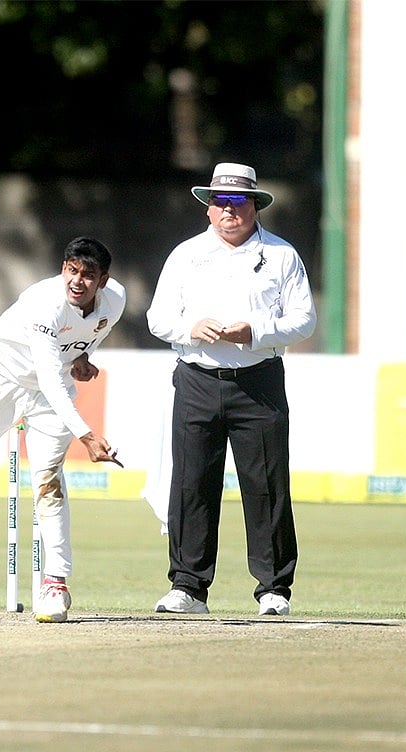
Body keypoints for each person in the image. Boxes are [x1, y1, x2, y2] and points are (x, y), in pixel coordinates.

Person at [146, 162, 316, 617]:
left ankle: (274, 589)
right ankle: (188, 587)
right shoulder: (185, 255)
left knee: (266, 486)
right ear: (207, 209)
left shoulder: (281, 255)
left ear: (255, 207)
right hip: (197, 379)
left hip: (258, 381)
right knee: (191, 484)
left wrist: (255, 331)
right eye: (220, 202)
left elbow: (304, 319)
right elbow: (157, 318)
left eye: (238, 202)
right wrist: (190, 327)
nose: (228, 210)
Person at [0, 236, 125, 623]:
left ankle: (55, 584)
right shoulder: (45, 302)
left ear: (103, 281)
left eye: (88, 276)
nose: (77, 281)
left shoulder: (116, 300)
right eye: (71, 271)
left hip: (49, 390)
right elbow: (51, 380)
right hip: (0, 376)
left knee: (48, 482)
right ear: (63, 268)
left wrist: (83, 358)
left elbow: (84, 337)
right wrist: (87, 435)